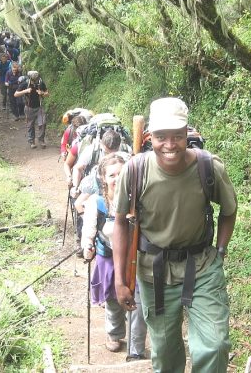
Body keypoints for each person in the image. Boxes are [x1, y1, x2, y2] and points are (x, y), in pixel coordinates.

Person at [113, 97, 238, 372]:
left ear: (187, 134)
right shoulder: (134, 171)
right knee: (165, 353)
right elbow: (120, 223)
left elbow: (229, 210)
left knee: (214, 346)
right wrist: (120, 278)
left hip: (203, 267)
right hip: (154, 273)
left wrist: (220, 252)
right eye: (161, 137)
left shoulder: (209, 168)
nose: (170, 145)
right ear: (150, 137)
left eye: (177, 137)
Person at [81, 153, 147, 358]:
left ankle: (136, 347)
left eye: (121, 173)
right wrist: (87, 246)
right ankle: (115, 333)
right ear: (103, 178)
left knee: (138, 301)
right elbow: (89, 229)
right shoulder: (97, 202)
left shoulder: (137, 201)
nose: (117, 178)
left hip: (135, 259)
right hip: (107, 258)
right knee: (112, 300)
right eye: (112, 175)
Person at [14, 71, 49, 149]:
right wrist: (25, 91)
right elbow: (16, 94)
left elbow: (47, 93)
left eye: (36, 78)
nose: (36, 80)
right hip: (29, 107)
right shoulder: (25, 83)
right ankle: (31, 141)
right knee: (30, 125)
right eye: (34, 79)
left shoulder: (40, 83)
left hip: (39, 107)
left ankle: (41, 140)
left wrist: (42, 93)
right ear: (30, 78)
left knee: (43, 123)